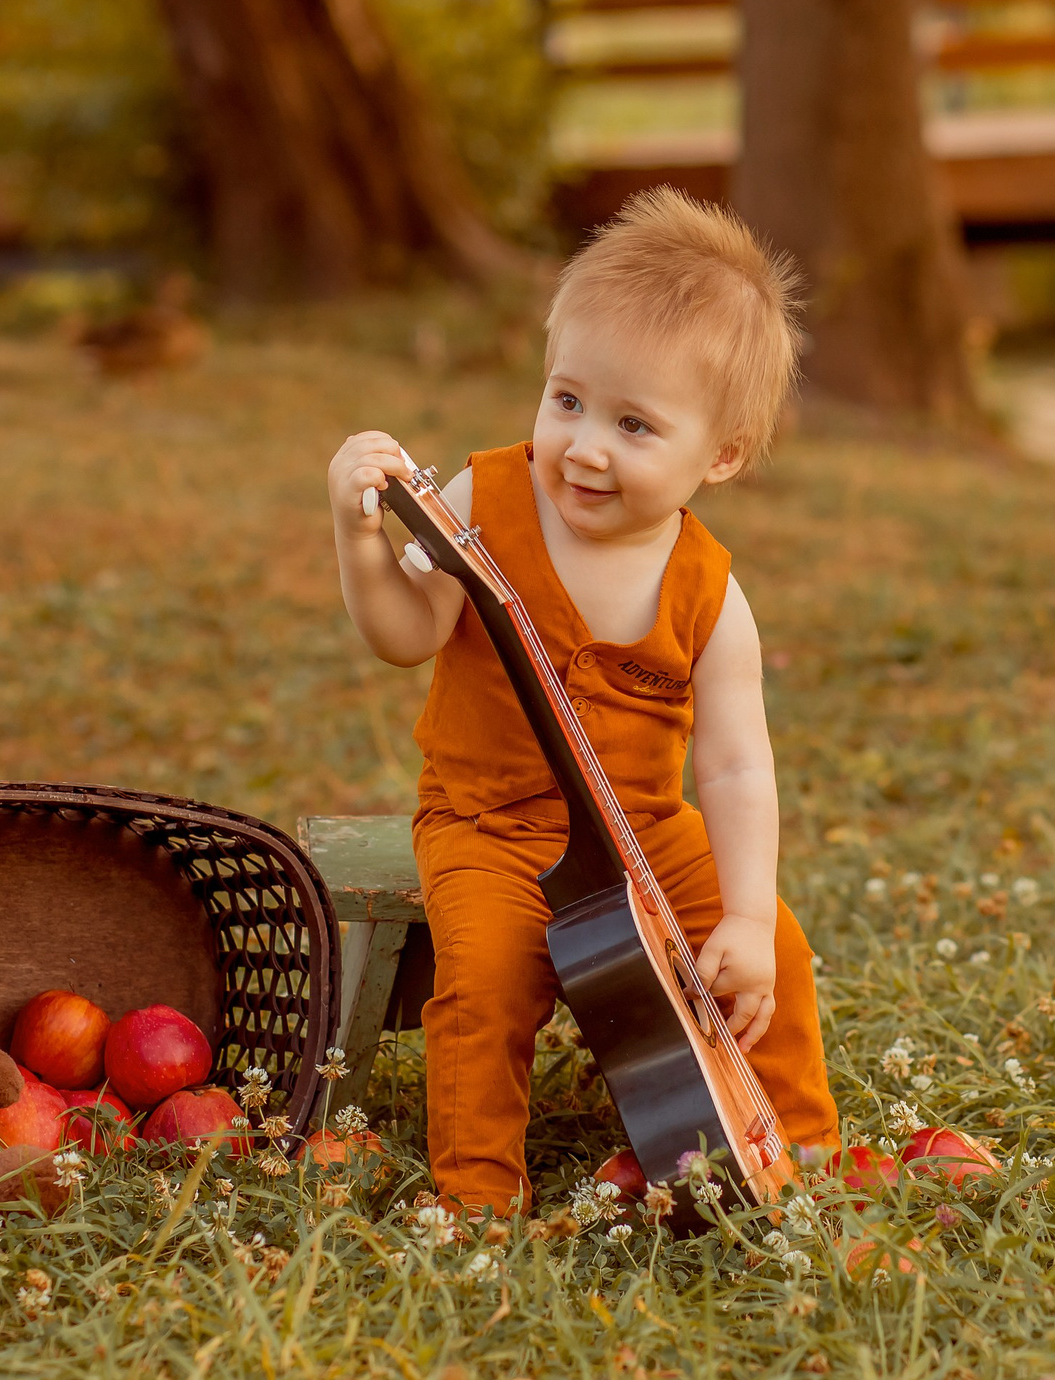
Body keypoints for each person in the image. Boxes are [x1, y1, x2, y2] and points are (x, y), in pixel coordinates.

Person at [326, 187, 841, 1212]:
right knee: (484, 972)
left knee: (774, 943)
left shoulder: (708, 591)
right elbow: (406, 636)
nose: (585, 446)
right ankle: (478, 1195)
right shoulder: (484, 500)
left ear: (722, 454)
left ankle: (799, 1150)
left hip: (643, 831)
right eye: (566, 401)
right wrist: (359, 542)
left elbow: (736, 766)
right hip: (488, 824)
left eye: (635, 423)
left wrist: (738, 911)